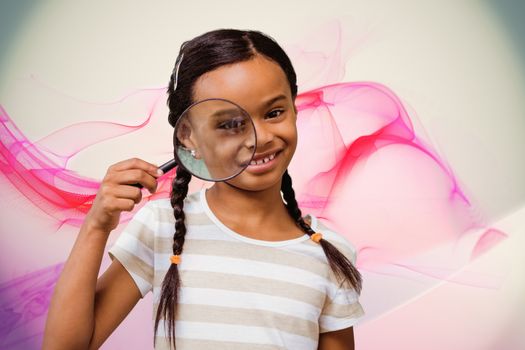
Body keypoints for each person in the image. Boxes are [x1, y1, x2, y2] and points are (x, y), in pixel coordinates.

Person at [43, 29, 365, 350]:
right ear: (188, 136)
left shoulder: (329, 253)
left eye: (274, 113)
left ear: (295, 109)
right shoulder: (162, 228)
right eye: (229, 124)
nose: (260, 137)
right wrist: (97, 224)